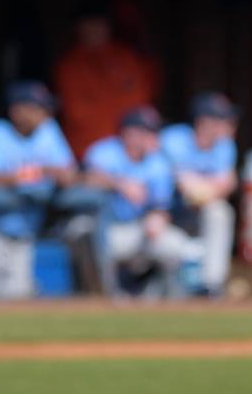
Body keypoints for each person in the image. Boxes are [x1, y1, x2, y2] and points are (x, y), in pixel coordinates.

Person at [0, 80, 75, 299]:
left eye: (45, 108)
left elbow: (67, 174)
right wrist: (34, 174)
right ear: (17, 110)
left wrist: (47, 172)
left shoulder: (48, 132)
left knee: (18, 301)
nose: (45, 114)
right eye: (37, 108)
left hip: (24, 233)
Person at [82, 105, 193, 297]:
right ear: (129, 133)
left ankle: (158, 293)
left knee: (177, 245)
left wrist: (157, 218)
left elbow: (161, 205)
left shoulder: (157, 162)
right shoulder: (105, 151)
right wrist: (120, 184)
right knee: (85, 230)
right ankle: (103, 293)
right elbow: (84, 179)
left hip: (138, 230)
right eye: (147, 132)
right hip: (106, 230)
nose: (154, 138)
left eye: (153, 132)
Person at [160, 92, 240, 298]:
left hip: (198, 213)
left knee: (220, 212)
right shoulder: (174, 138)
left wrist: (205, 189)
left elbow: (227, 183)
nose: (229, 125)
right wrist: (207, 187)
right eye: (222, 120)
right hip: (166, 214)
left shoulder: (225, 145)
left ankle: (212, 284)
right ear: (203, 122)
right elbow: (184, 185)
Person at [52, 8, 161, 158]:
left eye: (99, 24)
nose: (94, 30)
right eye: (89, 25)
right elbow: (76, 113)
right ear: (78, 29)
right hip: (87, 151)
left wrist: (135, 136)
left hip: (131, 149)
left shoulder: (127, 58)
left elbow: (142, 99)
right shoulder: (69, 66)